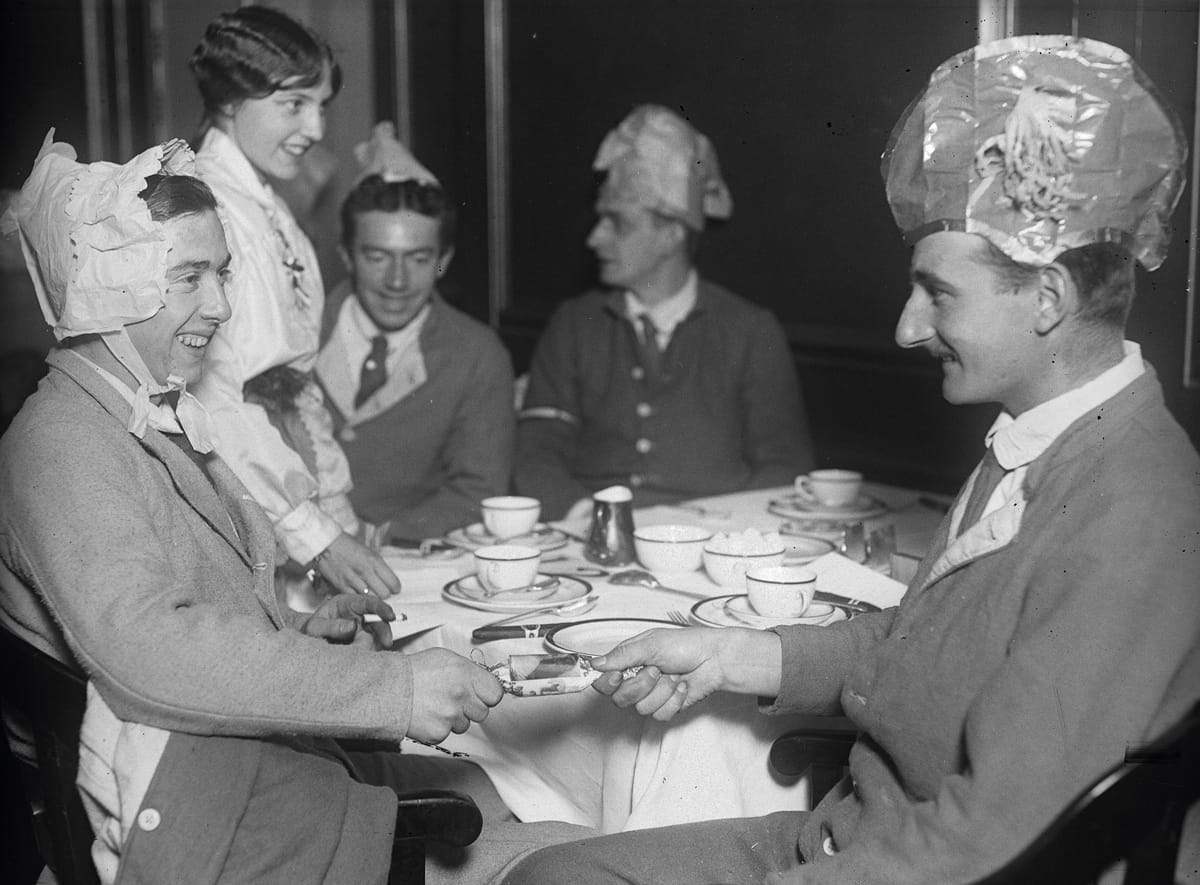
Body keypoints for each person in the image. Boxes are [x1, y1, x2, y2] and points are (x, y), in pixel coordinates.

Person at [503, 36, 1200, 885]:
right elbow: (918, 649)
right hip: (853, 838)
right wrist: (732, 655)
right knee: (548, 874)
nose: (907, 328)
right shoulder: (1042, 439)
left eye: (938, 293)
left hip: (908, 866)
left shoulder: (1137, 508)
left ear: (1048, 297)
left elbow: (1001, 836)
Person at [0, 135, 589, 884]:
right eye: (188, 277)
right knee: (562, 837)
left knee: (525, 796)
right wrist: (395, 689)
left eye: (221, 273)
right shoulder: (64, 445)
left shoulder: (127, 416)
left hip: (230, 781)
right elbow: (150, 651)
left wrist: (303, 628)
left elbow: (166, 613)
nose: (218, 306)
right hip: (213, 821)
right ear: (106, 288)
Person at [187, 5, 400, 599]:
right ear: (231, 99)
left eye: (322, 105)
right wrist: (318, 535)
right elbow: (217, 400)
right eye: (293, 104)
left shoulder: (273, 212)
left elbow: (297, 392)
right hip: (231, 490)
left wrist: (336, 509)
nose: (316, 128)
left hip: (280, 481)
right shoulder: (206, 210)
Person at [514, 104, 814, 520]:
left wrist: (716, 528)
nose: (594, 238)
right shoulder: (573, 325)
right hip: (590, 541)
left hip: (714, 544)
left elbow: (785, 470)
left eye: (616, 223)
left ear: (672, 234)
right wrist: (592, 518)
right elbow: (536, 456)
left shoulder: (750, 330)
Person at [317, 123, 516, 540]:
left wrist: (383, 537)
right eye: (377, 257)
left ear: (444, 259)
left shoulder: (477, 354)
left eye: (419, 259)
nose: (397, 281)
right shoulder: (295, 331)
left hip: (403, 563)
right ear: (346, 256)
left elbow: (477, 489)